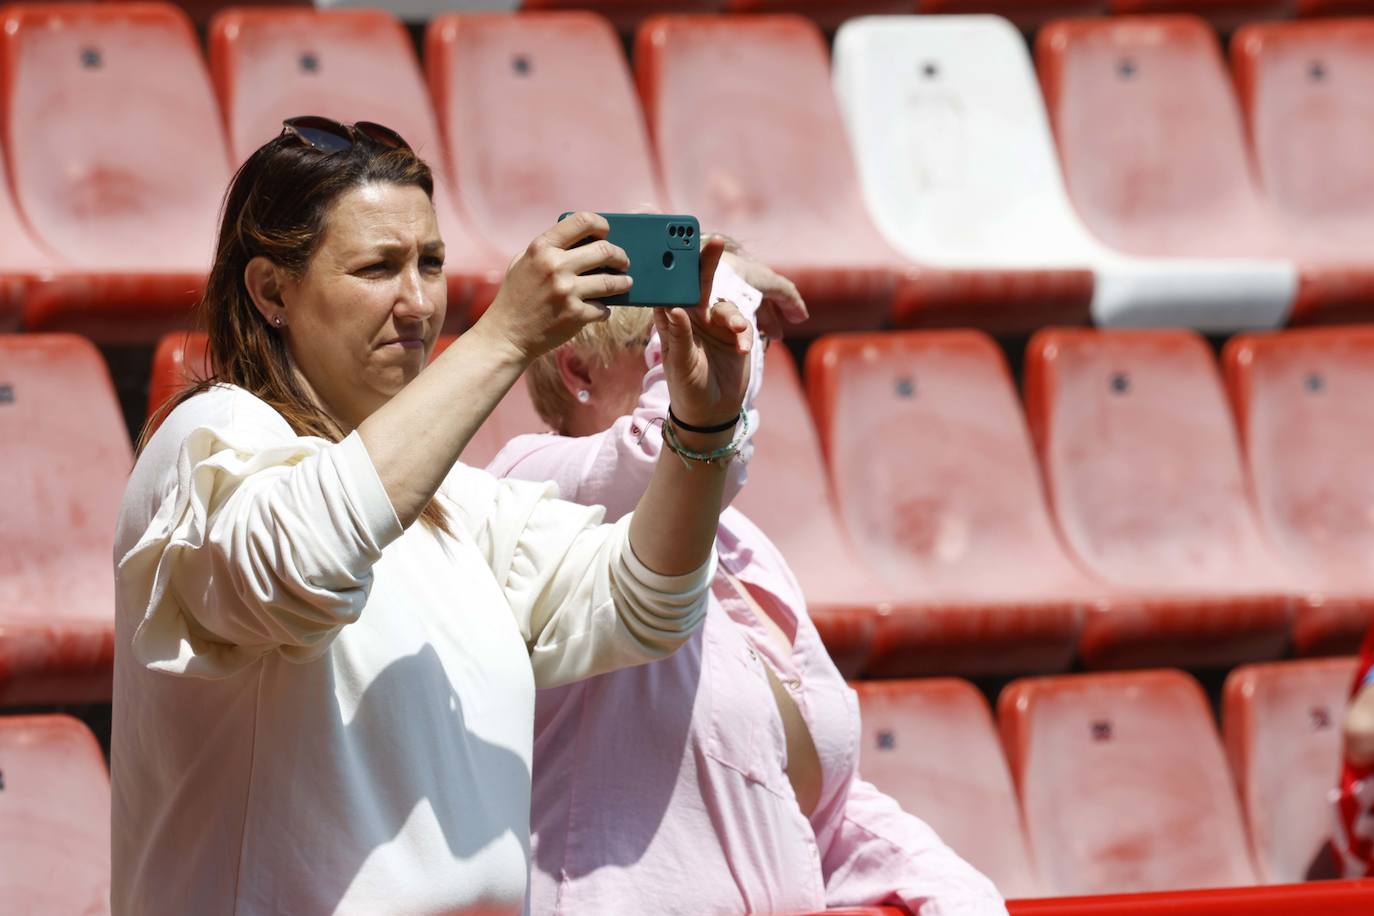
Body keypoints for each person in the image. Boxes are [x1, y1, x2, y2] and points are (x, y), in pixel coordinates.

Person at [110, 117, 754, 915]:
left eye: (432, 262)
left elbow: (643, 605)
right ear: (272, 291)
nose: (418, 303)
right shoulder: (211, 436)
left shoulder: (448, 499)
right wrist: (507, 336)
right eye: (379, 267)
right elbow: (298, 563)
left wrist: (702, 430)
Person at [487, 255, 1008, 914]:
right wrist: (728, 294)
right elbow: (666, 450)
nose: (705, 352)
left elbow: (813, 807)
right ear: (579, 370)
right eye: (664, 340)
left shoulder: (742, 541)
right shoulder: (526, 482)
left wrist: (958, 895)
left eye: (738, 335)